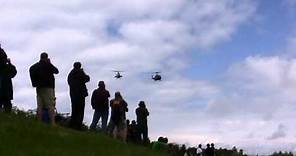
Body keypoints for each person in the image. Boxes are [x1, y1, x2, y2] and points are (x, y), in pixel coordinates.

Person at [29, 52, 59, 126]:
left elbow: (31, 70)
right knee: (50, 106)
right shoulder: (48, 65)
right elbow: (56, 71)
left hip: (39, 88)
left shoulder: (34, 66)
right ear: (46, 57)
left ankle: (39, 122)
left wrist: (34, 83)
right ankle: (53, 123)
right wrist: (50, 63)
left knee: (40, 106)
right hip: (48, 87)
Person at [67, 62, 90, 130]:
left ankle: (72, 124)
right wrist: (83, 72)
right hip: (80, 94)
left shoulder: (71, 74)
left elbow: (69, 82)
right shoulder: (80, 72)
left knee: (74, 110)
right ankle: (78, 126)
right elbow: (87, 79)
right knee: (80, 110)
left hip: (73, 94)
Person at [0, 46, 17, 112]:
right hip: (6, 90)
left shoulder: (7, 67)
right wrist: (9, 63)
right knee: (7, 104)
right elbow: (13, 73)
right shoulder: (7, 67)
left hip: (5, 89)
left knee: (6, 103)